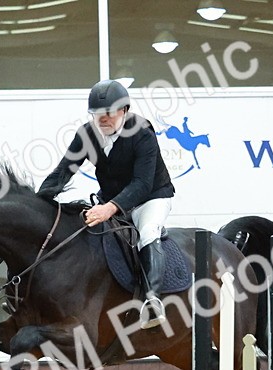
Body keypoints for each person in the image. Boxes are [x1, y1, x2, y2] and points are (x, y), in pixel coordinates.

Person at [36, 79, 175, 329]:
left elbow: (142, 184)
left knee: (147, 232)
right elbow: (63, 172)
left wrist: (109, 207)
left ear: (124, 111)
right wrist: (38, 201)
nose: (103, 119)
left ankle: (153, 299)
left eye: (109, 113)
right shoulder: (87, 135)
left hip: (151, 197)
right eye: (97, 114)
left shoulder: (141, 132)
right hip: (110, 198)